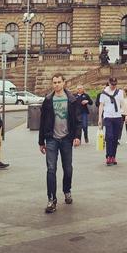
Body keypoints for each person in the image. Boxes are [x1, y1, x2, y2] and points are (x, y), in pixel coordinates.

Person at [38, 74, 82, 213]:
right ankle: (51, 200)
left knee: (67, 168)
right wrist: (41, 141)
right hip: (51, 139)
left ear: (64, 83)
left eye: (59, 82)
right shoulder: (48, 100)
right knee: (51, 169)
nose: (56, 84)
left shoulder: (72, 99)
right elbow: (42, 121)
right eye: (54, 82)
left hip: (67, 139)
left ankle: (67, 190)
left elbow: (77, 120)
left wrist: (77, 136)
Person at [98, 76, 124, 165]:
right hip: (108, 117)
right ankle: (108, 156)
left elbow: (122, 103)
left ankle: (113, 156)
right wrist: (99, 118)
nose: (113, 86)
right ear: (108, 83)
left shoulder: (120, 92)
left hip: (117, 117)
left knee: (115, 138)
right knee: (109, 137)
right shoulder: (104, 93)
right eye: (112, 84)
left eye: (115, 84)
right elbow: (101, 105)